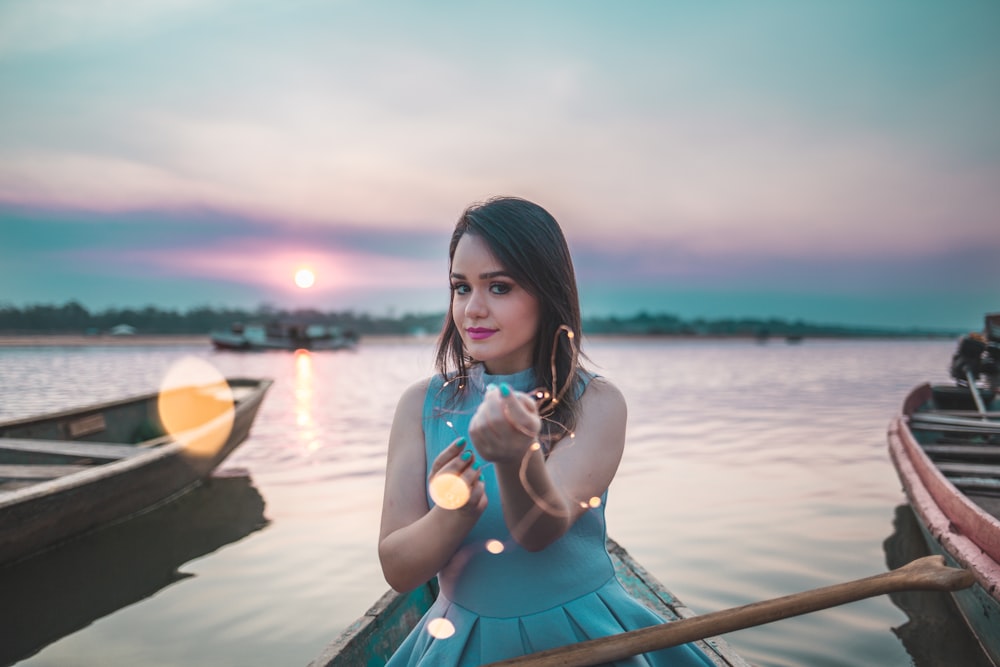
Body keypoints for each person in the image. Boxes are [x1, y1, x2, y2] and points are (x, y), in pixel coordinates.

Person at [378, 196, 715, 666]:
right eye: (461, 287)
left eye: (499, 287)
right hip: (461, 643)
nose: (473, 308)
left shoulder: (595, 402)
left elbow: (540, 531)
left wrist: (516, 456)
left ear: (547, 292)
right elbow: (397, 569)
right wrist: (453, 512)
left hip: (584, 640)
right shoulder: (422, 405)